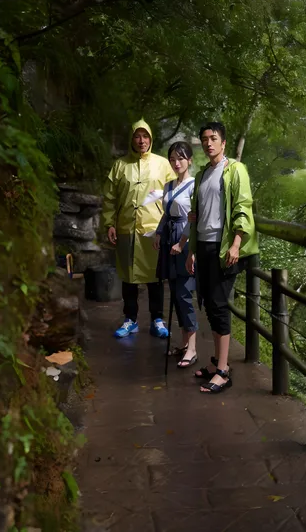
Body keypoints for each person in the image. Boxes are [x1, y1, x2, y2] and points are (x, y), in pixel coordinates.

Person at [186, 122, 258, 394]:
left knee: (218, 304)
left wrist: (237, 243)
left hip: (224, 246)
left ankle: (224, 373)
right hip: (203, 246)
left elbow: (242, 207)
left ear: (224, 142)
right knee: (207, 301)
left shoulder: (235, 170)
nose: (208, 143)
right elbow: (196, 215)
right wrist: (191, 251)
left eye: (213, 138)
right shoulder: (203, 173)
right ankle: (218, 362)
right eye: (204, 139)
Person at [102, 119, 175, 339]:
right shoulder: (120, 165)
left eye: (145, 136)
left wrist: (171, 225)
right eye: (137, 136)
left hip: (153, 230)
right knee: (128, 276)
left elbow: (173, 196)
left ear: (150, 139)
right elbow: (109, 198)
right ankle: (130, 319)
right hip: (126, 228)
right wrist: (109, 223)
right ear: (132, 139)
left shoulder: (163, 164)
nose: (141, 140)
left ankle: (157, 319)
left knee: (155, 277)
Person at [154, 141, 198, 368]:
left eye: (180, 158)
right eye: (172, 159)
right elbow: (166, 214)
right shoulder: (169, 185)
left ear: (189, 160)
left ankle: (192, 348)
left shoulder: (193, 186)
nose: (176, 163)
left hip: (184, 240)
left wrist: (184, 244)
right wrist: (160, 233)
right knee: (175, 292)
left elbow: (194, 218)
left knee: (184, 293)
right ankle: (184, 344)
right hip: (169, 239)